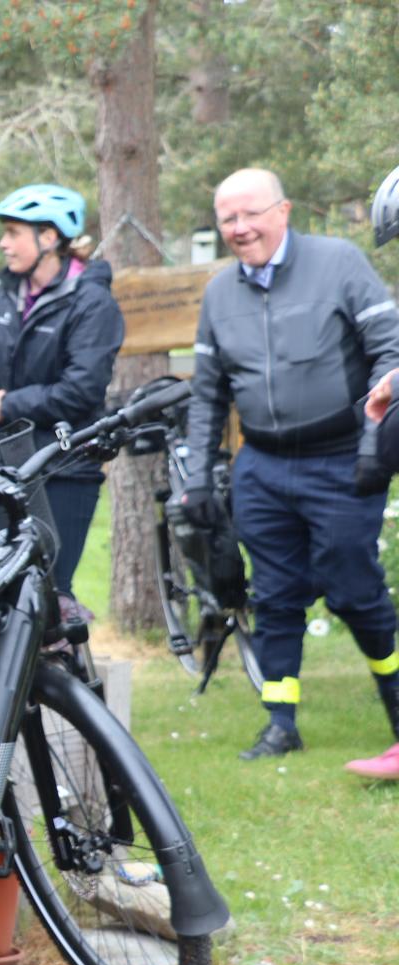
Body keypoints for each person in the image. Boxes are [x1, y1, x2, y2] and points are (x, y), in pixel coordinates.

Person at [183, 168, 399, 768]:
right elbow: (207, 396)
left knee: (353, 588)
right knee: (274, 596)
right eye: (228, 218)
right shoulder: (219, 295)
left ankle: (397, 705)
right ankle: (281, 723)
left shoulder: (340, 263)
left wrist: (374, 444)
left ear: (284, 210)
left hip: (342, 459)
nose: (239, 228)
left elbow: (391, 351)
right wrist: (199, 480)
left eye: (251, 213)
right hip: (264, 466)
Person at [0, 184, 125, 596]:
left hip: (66, 467)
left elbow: (82, 390)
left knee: (48, 590)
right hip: (9, 464)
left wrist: (9, 406)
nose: (4, 244)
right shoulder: (8, 294)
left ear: (50, 237)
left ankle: (61, 661)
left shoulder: (91, 302)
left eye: (13, 232)